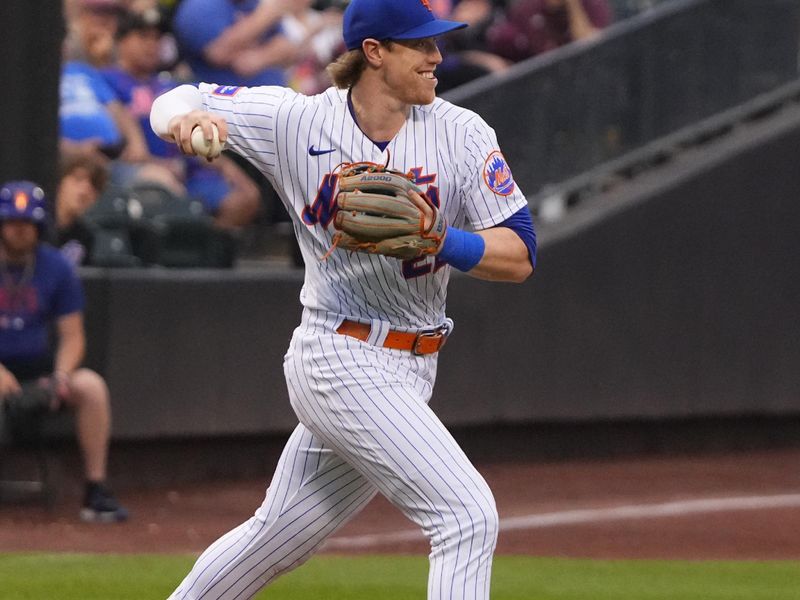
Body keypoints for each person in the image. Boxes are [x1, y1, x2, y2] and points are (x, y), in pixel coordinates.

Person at [150, 0, 536, 596]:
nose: (438, 56)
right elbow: (174, 98)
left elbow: (521, 252)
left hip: (413, 362)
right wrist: (186, 121)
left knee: (276, 536)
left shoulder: (462, 132)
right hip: (339, 353)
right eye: (421, 44)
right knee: (466, 515)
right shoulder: (295, 119)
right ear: (374, 52)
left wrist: (442, 239)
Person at [0, 181, 128, 523]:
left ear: (39, 227)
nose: (19, 231)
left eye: (27, 224)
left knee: (91, 387)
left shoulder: (56, 267)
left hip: (38, 370)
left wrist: (59, 378)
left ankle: (95, 490)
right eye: (12, 222)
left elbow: (72, 337)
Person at [103, 8, 262, 228]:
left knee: (245, 196)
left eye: (157, 38)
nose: (152, 45)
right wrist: (159, 165)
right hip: (139, 173)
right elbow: (118, 149)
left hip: (187, 170)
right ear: (121, 41)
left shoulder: (171, 84)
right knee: (167, 190)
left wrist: (228, 169)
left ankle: (205, 252)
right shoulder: (107, 81)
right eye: (143, 37)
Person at [171, 0, 296, 88]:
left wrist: (260, 58)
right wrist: (266, 15)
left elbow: (287, 49)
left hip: (273, 106)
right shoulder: (199, 6)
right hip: (225, 110)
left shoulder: (253, 4)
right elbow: (219, 52)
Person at [487, 0, 613, 63]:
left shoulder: (588, 3)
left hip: (590, 69)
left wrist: (573, 7)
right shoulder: (528, 10)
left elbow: (594, 46)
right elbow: (547, 59)